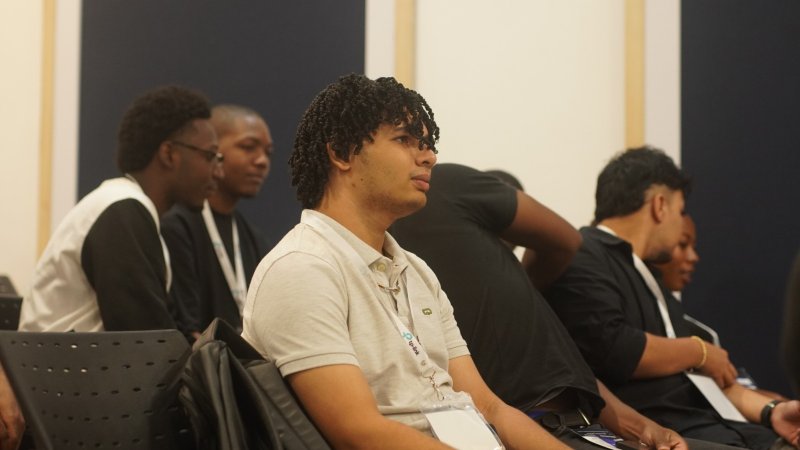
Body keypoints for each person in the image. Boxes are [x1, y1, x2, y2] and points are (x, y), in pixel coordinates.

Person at [242, 74, 571, 449]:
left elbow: (489, 407)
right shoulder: (302, 268)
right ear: (342, 154)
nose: (429, 157)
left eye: (427, 144)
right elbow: (358, 433)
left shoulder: (416, 270)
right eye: (404, 140)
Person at [390, 162, 705, 449]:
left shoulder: (509, 295)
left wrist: (641, 427)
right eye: (404, 139)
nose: (426, 155)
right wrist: (699, 352)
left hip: (590, 427)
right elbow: (489, 408)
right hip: (530, 431)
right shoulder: (401, 269)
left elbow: (567, 374)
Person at [546, 146, 800, 449]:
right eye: (680, 211)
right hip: (666, 433)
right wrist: (698, 350)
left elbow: (700, 377)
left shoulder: (648, 276)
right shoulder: (586, 252)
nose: (681, 225)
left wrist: (772, 410)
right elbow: (614, 349)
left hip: (717, 426)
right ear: (660, 206)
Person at [19, 85, 222, 332]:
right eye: (210, 156)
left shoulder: (124, 206)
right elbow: (145, 338)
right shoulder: (122, 212)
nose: (218, 172)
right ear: (169, 154)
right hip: (64, 358)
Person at [161, 104, 272, 339]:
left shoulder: (253, 239)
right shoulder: (177, 226)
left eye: (268, 152)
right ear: (212, 150)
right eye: (248, 147)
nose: (262, 161)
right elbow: (185, 332)